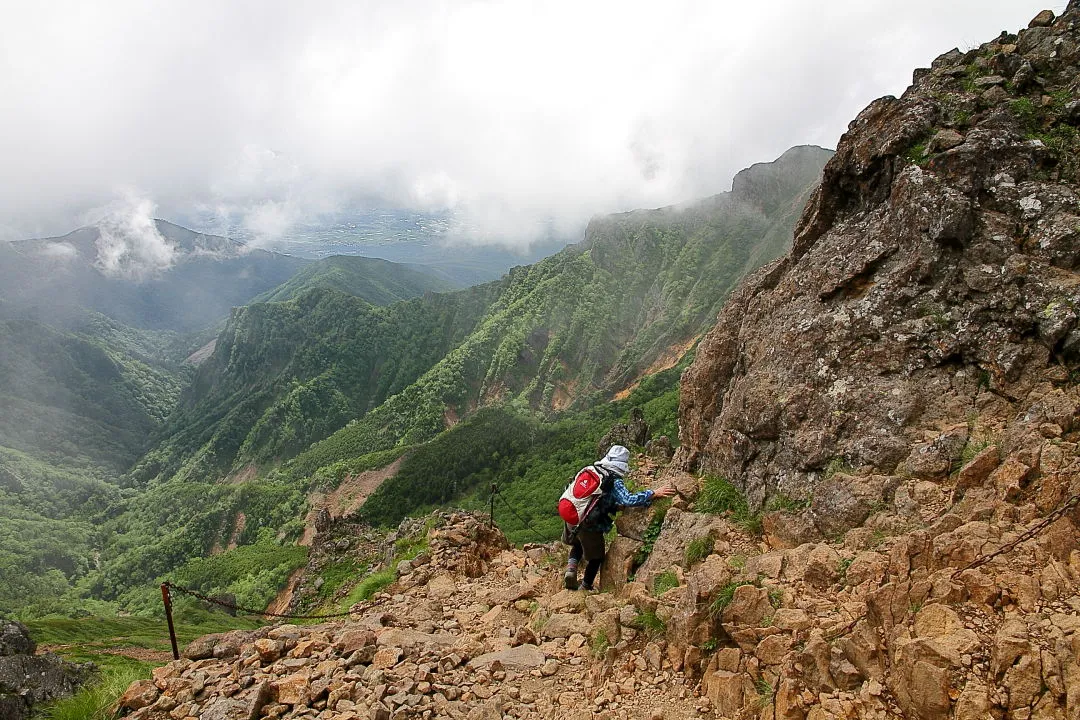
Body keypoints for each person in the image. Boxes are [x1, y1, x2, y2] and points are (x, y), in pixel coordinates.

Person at [562, 445, 676, 591]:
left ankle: (571, 569)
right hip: (589, 525)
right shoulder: (614, 480)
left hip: (573, 515)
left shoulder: (592, 470)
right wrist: (652, 493)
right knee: (596, 557)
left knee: (577, 544)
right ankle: (585, 587)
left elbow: (594, 499)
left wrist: (613, 506)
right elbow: (628, 499)